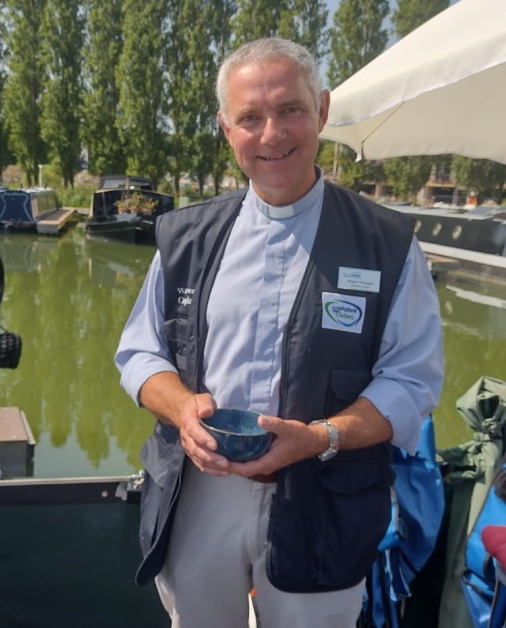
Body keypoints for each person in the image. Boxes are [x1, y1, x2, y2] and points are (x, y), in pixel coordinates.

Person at [114, 37, 444, 628]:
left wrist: (321, 436)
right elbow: (140, 353)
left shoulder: (389, 243)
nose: (272, 134)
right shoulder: (185, 239)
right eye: (250, 117)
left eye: (290, 109)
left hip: (325, 499)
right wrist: (185, 408)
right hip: (198, 493)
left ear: (321, 110)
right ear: (226, 128)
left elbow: (412, 381)